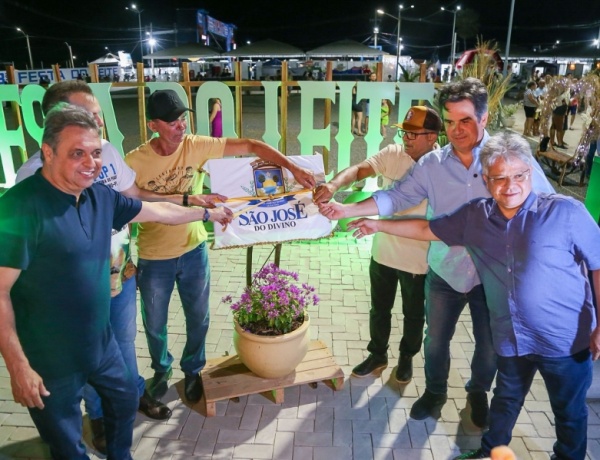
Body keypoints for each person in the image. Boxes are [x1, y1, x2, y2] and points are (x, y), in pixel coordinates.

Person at [347, 132, 600, 460]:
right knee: (505, 401)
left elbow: (598, 263)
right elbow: (427, 229)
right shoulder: (477, 216)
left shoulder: (565, 213)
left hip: (566, 342)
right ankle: (489, 451)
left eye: (519, 175)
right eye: (499, 178)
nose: (510, 186)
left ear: (531, 172)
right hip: (513, 339)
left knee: (569, 413)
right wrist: (378, 225)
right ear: (486, 180)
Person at [0, 104, 233, 460]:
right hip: (49, 359)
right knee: (66, 444)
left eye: (95, 153)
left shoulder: (99, 196)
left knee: (124, 399)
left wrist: (206, 213)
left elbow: (158, 210)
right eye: (77, 153)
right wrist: (18, 366)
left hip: (100, 343)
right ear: (48, 152)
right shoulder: (19, 207)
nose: (90, 163)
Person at [319, 78, 554, 428]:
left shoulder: (508, 159)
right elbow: (397, 196)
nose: (456, 130)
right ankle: (434, 392)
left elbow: (547, 206)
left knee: (488, 346)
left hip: (491, 275)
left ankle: (477, 393)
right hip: (445, 270)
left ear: (484, 118)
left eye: (466, 120)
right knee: (435, 341)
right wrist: (346, 209)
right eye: (450, 121)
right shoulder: (432, 164)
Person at [125, 89, 316, 405]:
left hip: (193, 249)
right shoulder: (134, 160)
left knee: (199, 318)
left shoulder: (196, 145)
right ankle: (161, 370)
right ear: (153, 125)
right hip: (153, 256)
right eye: (172, 122)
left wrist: (293, 167)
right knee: (155, 323)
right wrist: (187, 198)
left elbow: (251, 145)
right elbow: (133, 201)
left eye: (183, 119)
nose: (180, 126)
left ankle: (193, 370)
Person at [313, 106, 442, 383]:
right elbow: (360, 170)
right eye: (404, 132)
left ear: (432, 137)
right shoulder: (394, 153)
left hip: (418, 259)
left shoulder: (443, 167)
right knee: (379, 309)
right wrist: (334, 185)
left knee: (413, 314)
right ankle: (377, 355)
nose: (406, 138)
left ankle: (406, 358)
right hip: (383, 251)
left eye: (413, 134)